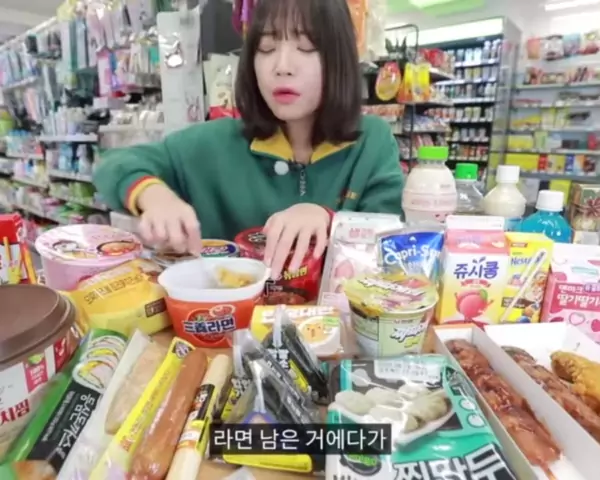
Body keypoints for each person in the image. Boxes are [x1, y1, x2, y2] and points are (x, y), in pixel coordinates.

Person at [93, 0, 404, 280]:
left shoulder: (371, 141)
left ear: (340, 58)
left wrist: (329, 220)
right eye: (266, 48)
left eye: (307, 47)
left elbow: (392, 240)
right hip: (223, 321)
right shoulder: (212, 144)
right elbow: (115, 164)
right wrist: (155, 197)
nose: (282, 67)